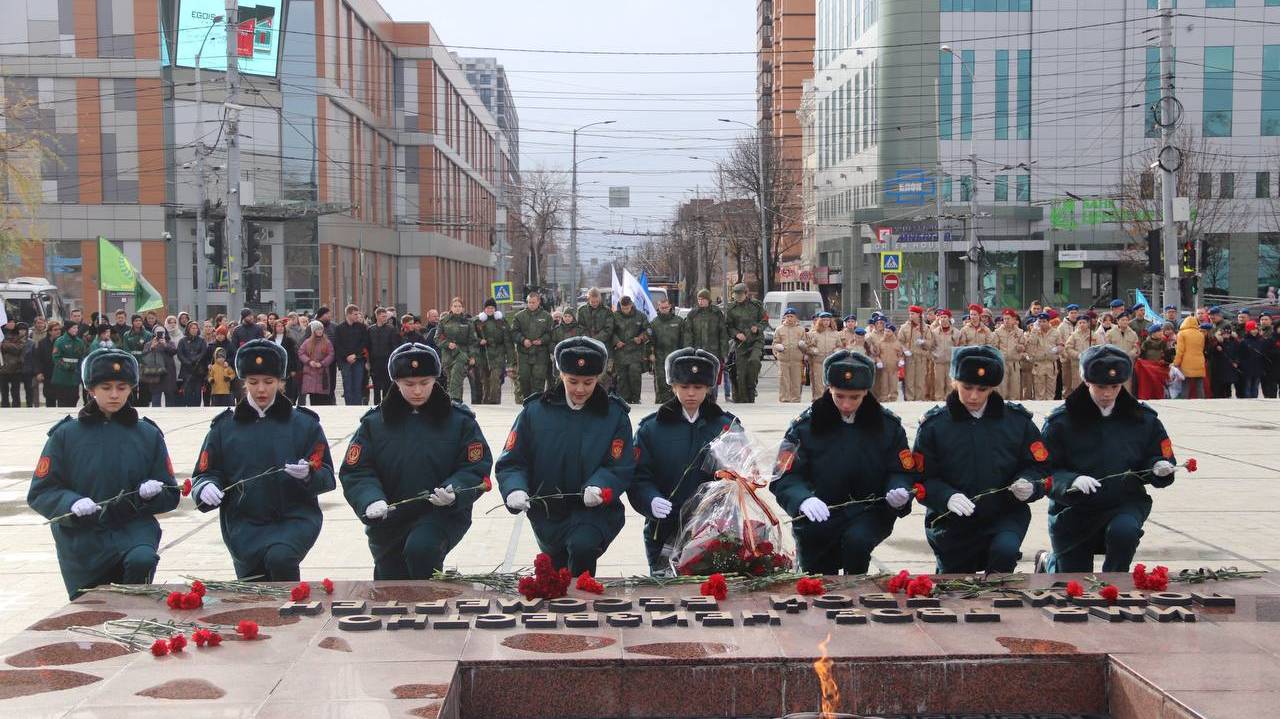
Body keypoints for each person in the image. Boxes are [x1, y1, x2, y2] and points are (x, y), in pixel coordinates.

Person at [27, 347, 179, 598]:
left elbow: (170, 492)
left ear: (131, 389)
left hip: (132, 528)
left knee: (142, 560)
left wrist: (152, 493)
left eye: (122, 387)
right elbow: (41, 491)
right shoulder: (66, 435)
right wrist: (71, 502)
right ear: (90, 390)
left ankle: (133, 613)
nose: (114, 395)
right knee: (91, 608)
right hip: (83, 538)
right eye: (106, 387)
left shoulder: (148, 434)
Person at [340, 343, 492, 579]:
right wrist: (370, 499)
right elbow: (357, 471)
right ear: (396, 382)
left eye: (425, 383)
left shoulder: (459, 421)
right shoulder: (374, 423)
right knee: (390, 582)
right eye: (409, 385)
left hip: (440, 515)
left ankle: (431, 607)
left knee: (422, 550)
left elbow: (474, 466)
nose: (418, 391)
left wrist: (456, 491)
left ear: (435, 380)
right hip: (389, 519)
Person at [191, 339, 336, 581]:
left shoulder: (304, 424)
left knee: (280, 559)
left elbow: (327, 474)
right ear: (243, 383)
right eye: (253, 382)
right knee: (251, 593)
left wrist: (311, 474)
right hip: (243, 526)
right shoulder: (223, 428)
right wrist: (205, 487)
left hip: (292, 521)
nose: (261, 390)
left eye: (269, 382)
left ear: (281, 382)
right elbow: (205, 471)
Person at [496, 337, 634, 575]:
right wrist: (514, 489)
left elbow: (619, 464)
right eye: (573, 381)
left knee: (582, 547)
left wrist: (599, 486)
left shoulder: (614, 416)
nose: (580, 389)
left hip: (594, 512)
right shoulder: (536, 411)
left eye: (588, 382)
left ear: (599, 378)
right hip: (548, 513)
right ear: (560, 375)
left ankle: (583, 604)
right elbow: (513, 460)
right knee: (555, 574)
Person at [1036, 345, 1178, 574]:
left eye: (1115, 387)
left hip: (1123, 502)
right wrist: (1070, 481)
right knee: (1073, 581)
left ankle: (1115, 582)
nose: (1108, 394)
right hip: (1075, 510)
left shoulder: (1142, 419)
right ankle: (1047, 562)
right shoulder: (1061, 422)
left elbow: (1160, 456)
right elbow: (1043, 471)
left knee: (1124, 533)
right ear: (1086, 382)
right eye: (1101, 387)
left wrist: (1158, 467)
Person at [772, 350, 917, 574]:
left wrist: (899, 490)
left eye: (855, 397)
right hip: (818, 514)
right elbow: (784, 476)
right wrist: (802, 500)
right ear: (828, 389)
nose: (846, 404)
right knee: (816, 577)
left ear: (866, 392)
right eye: (839, 396)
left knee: (857, 544)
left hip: (868, 512)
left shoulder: (887, 426)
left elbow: (901, 470)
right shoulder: (804, 427)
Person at [913, 346, 1052, 573]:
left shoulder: (1018, 423)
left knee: (1004, 555)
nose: (974, 396)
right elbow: (922, 478)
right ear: (953, 382)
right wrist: (946, 496)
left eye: (982, 389)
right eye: (967, 387)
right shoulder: (934, 426)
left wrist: (1030, 483)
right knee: (954, 588)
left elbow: (1040, 466)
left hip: (1004, 515)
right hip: (951, 522)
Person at [627, 348, 734, 574]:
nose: (691, 394)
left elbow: (741, 473)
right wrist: (650, 499)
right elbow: (638, 476)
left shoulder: (726, 427)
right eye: (684, 387)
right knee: (667, 595)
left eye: (698, 387)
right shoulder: (651, 429)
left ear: (708, 388)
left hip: (712, 528)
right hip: (665, 528)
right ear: (673, 386)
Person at [725, 283, 767, 403]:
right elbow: (728, 326)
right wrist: (736, 334)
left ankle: (752, 386)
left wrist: (758, 327)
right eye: (735, 294)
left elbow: (764, 320)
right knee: (741, 373)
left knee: (753, 361)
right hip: (740, 344)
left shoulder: (756, 305)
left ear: (746, 293)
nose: (737, 296)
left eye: (740, 294)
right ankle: (745, 399)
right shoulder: (731, 308)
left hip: (756, 340)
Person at [684, 290, 728, 397]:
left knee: (713, 377)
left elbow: (722, 334)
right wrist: (688, 351)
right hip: (697, 352)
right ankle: (701, 398)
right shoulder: (693, 314)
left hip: (713, 352)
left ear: (708, 300)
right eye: (699, 299)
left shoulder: (716, 313)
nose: (700, 301)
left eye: (703, 299)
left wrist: (724, 353)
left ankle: (713, 398)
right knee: (698, 376)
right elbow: (688, 334)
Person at [512, 292, 554, 398]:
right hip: (524, 354)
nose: (531, 304)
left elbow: (551, 334)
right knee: (524, 379)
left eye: (533, 302)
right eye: (529, 302)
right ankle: (527, 402)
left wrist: (542, 340)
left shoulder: (547, 317)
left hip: (540, 354)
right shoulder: (519, 316)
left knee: (538, 380)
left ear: (538, 302)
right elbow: (514, 332)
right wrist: (523, 340)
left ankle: (537, 404)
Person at [612, 296, 650, 404]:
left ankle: (636, 398)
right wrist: (616, 341)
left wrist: (641, 337)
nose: (625, 310)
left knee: (635, 374)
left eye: (627, 308)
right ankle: (624, 400)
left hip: (635, 351)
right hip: (620, 352)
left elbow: (648, 330)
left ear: (631, 305)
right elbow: (610, 331)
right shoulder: (615, 316)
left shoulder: (640, 316)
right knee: (622, 377)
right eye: (623, 308)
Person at [436, 298, 476, 400]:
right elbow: (437, 339)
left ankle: (454, 401)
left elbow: (472, 341)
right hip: (448, 355)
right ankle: (456, 403)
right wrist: (447, 344)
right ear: (451, 308)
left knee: (456, 377)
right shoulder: (444, 321)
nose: (457, 308)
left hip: (461, 354)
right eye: (455, 306)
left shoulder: (468, 322)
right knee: (452, 380)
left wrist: (472, 356)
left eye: (459, 306)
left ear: (463, 308)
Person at [649, 298, 685, 405]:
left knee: (675, 381)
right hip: (659, 357)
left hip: (676, 357)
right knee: (661, 382)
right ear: (658, 308)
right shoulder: (654, 323)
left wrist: (684, 353)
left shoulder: (679, 321)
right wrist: (650, 354)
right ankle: (661, 404)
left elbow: (684, 340)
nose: (664, 309)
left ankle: (676, 404)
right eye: (661, 308)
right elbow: (650, 341)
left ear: (670, 307)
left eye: (666, 307)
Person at [332, 305, 370, 406]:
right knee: (347, 386)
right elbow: (337, 344)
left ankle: (357, 407)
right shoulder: (339, 328)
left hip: (358, 360)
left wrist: (355, 355)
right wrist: (346, 356)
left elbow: (364, 342)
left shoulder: (361, 327)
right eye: (355, 314)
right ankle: (348, 407)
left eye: (358, 314)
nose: (357, 316)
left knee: (357, 386)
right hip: (345, 361)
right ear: (348, 314)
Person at [475, 299, 510, 404]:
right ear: (484, 309)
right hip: (483, 356)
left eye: (492, 308)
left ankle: (494, 402)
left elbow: (508, 340)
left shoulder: (502, 322)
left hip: (498, 355)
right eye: (488, 308)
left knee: (495, 380)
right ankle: (486, 403)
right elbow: (471, 337)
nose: (490, 310)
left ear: (495, 309)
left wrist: (511, 358)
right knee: (485, 382)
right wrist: (479, 341)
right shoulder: (477, 322)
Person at [897, 305, 933, 400]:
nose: (910, 316)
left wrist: (924, 342)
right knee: (909, 381)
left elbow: (930, 344)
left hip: (921, 358)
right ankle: (909, 400)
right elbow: (899, 341)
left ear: (919, 315)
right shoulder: (904, 327)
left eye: (913, 314)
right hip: (909, 357)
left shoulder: (925, 328)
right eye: (910, 314)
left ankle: (919, 401)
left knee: (920, 381)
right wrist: (904, 350)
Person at [368, 307, 402, 405]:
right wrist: (368, 361)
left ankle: (386, 405)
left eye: (385, 316)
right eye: (383, 316)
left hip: (387, 361)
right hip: (375, 362)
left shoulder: (391, 329)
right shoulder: (371, 329)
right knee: (376, 387)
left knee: (387, 386)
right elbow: (368, 346)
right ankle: (376, 405)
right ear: (377, 316)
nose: (385, 319)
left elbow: (394, 345)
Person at [773, 307, 807, 402]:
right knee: (784, 380)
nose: (789, 318)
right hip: (784, 359)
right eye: (787, 316)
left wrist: (803, 346)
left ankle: (795, 399)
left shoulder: (801, 329)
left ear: (796, 318)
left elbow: (805, 343)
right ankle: (784, 399)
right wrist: (777, 348)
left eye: (791, 316)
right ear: (784, 317)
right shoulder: (779, 329)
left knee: (796, 381)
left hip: (796, 359)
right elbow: (774, 343)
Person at [51, 321, 88, 408]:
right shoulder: (60, 341)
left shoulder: (80, 342)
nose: (76, 330)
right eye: (74, 328)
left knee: (74, 398)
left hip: (74, 376)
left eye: (77, 328)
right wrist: (66, 366)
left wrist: (80, 370)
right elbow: (56, 357)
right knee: (63, 400)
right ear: (68, 329)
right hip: (62, 376)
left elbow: (82, 357)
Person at [298, 320, 335, 406]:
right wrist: (309, 361)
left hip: (322, 373)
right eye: (317, 329)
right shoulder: (307, 342)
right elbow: (301, 353)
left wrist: (322, 363)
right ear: (313, 331)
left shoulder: (327, 342)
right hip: (310, 372)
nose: (320, 331)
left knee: (323, 397)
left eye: (321, 329)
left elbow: (331, 354)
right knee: (313, 397)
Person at [808, 313, 844, 399]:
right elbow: (808, 346)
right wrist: (813, 350)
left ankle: (830, 400)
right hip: (818, 361)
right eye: (824, 320)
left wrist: (837, 350)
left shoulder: (835, 333)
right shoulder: (814, 333)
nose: (826, 322)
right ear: (820, 321)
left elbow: (839, 345)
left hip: (831, 361)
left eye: (828, 320)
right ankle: (818, 399)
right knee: (818, 383)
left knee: (830, 382)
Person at [1173, 315, 1208, 399]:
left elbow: (1180, 350)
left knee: (1185, 385)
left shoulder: (1182, 334)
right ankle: (1202, 402)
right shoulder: (1200, 334)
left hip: (1186, 362)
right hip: (1199, 361)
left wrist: (1176, 363)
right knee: (1199, 385)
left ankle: (1185, 403)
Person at [992, 310, 1025, 401]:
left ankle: (1013, 409)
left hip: (1014, 363)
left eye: (1008, 319)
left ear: (1014, 319)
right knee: (1002, 389)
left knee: (1014, 389)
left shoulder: (1020, 332)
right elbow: (994, 347)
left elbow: (1023, 345)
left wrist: (1020, 347)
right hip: (1002, 363)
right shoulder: (997, 332)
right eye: (1004, 318)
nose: (1006, 321)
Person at [141, 328, 178, 406]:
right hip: (154, 372)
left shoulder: (170, 342)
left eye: (162, 332)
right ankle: (155, 416)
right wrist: (152, 347)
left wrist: (165, 345)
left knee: (169, 396)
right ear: (154, 333)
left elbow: (174, 351)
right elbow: (144, 355)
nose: (160, 334)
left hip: (168, 372)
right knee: (156, 397)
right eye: (158, 332)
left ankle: (170, 416)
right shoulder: (149, 344)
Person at [176, 321, 208, 407]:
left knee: (197, 393)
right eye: (192, 328)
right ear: (188, 329)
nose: (194, 330)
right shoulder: (182, 341)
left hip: (198, 370)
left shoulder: (202, 341)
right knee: (187, 392)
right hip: (186, 370)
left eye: (195, 328)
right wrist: (187, 362)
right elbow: (180, 354)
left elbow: (203, 352)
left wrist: (195, 359)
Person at [928, 310, 957, 401]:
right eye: (941, 317)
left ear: (949, 319)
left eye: (945, 317)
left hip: (951, 362)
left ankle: (950, 401)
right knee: (939, 383)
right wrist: (934, 356)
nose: (943, 319)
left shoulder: (956, 332)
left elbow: (959, 346)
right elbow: (931, 346)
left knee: (950, 383)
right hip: (939, 362)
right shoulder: (934, 332)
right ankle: (939, 400)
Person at [34, 321, 61, 407]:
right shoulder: (42, 343)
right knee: (50, 399)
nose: (58, 331)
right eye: (55, 329)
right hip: (48, 374)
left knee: (61, 399)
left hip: (60, 373)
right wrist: (39, 372)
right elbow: (38, 359)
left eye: (59, 329)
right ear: (49, 331)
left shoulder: (62, 342)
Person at [1238, 321, 1266, 399]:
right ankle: (1248, 402)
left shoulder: (1260, 340)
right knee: (1247, 386)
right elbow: (1241, 355)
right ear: (1248, 330)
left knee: (1255, 387)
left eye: (1256, 329)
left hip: (1258, 368)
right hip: (1247, 369)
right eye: (1252, 329)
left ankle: (1255, 402)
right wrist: (1243, 366)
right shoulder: (1244, 342)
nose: (1255, 331)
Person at [0, 321, 25, 407]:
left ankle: (16, 408)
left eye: (12, 322)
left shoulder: (19, 334)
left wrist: (3, 345)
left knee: (15, 392)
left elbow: (18, 348)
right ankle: (5, 408)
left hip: (16, 368)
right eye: (8, 322)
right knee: (4, 392)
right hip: (2, 368)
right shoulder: (1, 335)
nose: (10, 324)